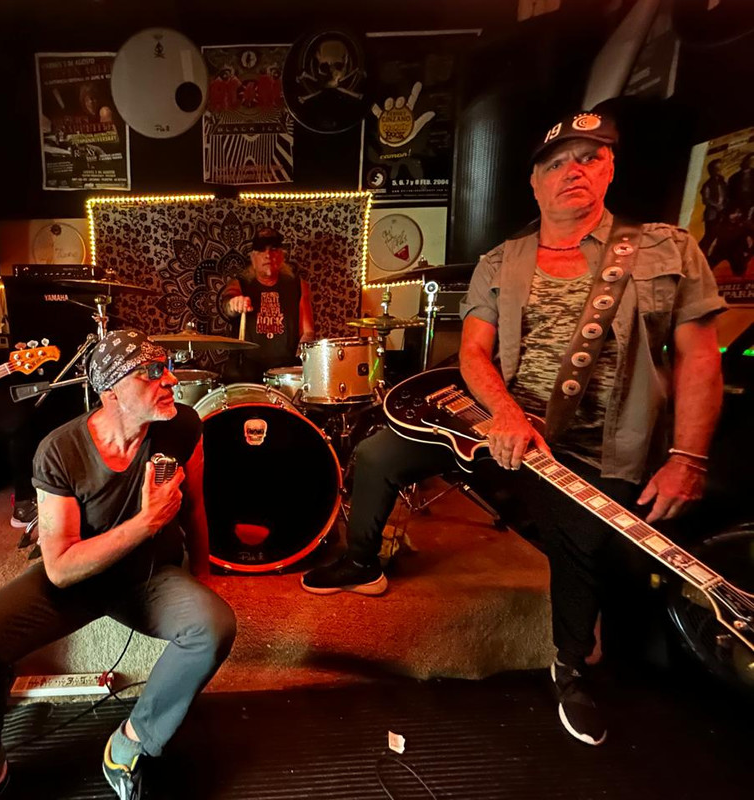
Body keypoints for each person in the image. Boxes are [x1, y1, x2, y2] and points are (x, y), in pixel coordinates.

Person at [301, 111, 726, 746]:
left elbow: (700, 357)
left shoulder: (666, 247)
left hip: (598, 448)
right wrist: (503, 414)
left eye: (589, 157)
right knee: (378, 454)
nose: (572, 171)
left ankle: (570, 665)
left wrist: (688, 456)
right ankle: (362, 561)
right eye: (556, 163)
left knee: (579, 540)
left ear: (611, 167)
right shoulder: (502, 260)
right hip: (496, 425)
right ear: (534, 181)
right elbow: (475, 352)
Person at [0, 329, 236, 800]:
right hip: (77, 578)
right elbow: (59, 567)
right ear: (110, 391)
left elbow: (195, 506)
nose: (171, 380)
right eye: (151, 372)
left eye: (168, 367)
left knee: (212, 627)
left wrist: (204, 575)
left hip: (149, 576)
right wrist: (147, 522)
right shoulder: (60, 451)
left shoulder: (183, 425)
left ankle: (130, 744)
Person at [219, 226, 315, 383]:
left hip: (285, 372)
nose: (268, 255)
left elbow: (308, 332)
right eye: (261, 250)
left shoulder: (299, 285)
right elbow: (228, 304)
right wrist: (234, 303)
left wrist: (300, 366)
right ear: (253, 258)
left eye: (274, 249)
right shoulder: (239, 284)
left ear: (281, 256)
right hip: (248, 370)